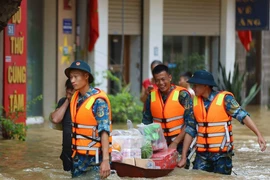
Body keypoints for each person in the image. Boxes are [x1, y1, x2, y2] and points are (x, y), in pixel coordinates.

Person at [178, 70, 267, 175]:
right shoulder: (195, 102)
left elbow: (243, 116)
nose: (193, 88)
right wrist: (183, 157)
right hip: (202, 154)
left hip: (222, 155)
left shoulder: (225, 99)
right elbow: (190, 129)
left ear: (205, 86)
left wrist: (259, 135)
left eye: (196, 85)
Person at [64, 60, 112, 179]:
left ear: (86, 76)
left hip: (95, 161)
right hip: (78, 160)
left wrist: (105, 160)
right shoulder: (75, 98)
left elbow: (104, 130)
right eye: (71, 77)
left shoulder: (98, 101)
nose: (72, 80)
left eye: (75, 76)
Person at [142, 64, 194, 168]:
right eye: (157, 80)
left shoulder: (183, 95)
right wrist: (147, 146)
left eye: (163, 79)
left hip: (180, 144)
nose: (161, 83)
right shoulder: (151, 97)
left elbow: (190, 123)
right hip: (158, 145)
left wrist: (175, 142)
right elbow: (146, 123)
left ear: (170, 77)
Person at [50, 79, 75, 171]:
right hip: (67, 151)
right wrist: (68, 100)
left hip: (81, 152)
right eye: (67, 92)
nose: (68, 95)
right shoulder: (63, 102)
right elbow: (56, 119)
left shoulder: (85, 104)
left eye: (71, 94)